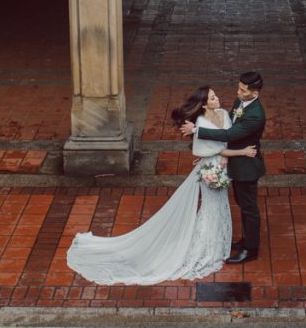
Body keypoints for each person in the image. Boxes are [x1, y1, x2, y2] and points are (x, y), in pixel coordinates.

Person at [66, 87, 255, 285]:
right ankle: (206, 250)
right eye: (213, 98)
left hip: (223, 170)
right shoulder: (200, 123)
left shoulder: (224, 113)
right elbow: (210, 150)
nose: (218, 99)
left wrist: (229, 153)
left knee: (220, 206)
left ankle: (217, 245)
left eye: (216, 96)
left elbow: (229, 137)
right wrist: (241, 153)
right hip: (210, 170)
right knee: (211, 208)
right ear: (205, 104)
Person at [181, 71, 266, 264]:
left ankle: (251, 249)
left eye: (243, 90)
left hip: (247, 166)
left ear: (254, 93)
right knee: (242, 203)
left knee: (249, 207)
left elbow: (229, 135)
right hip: (236, 162)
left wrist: (196, 130)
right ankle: (246, 240)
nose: (238, 92)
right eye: (239, 87)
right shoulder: (241, 103)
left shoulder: (256, 115)